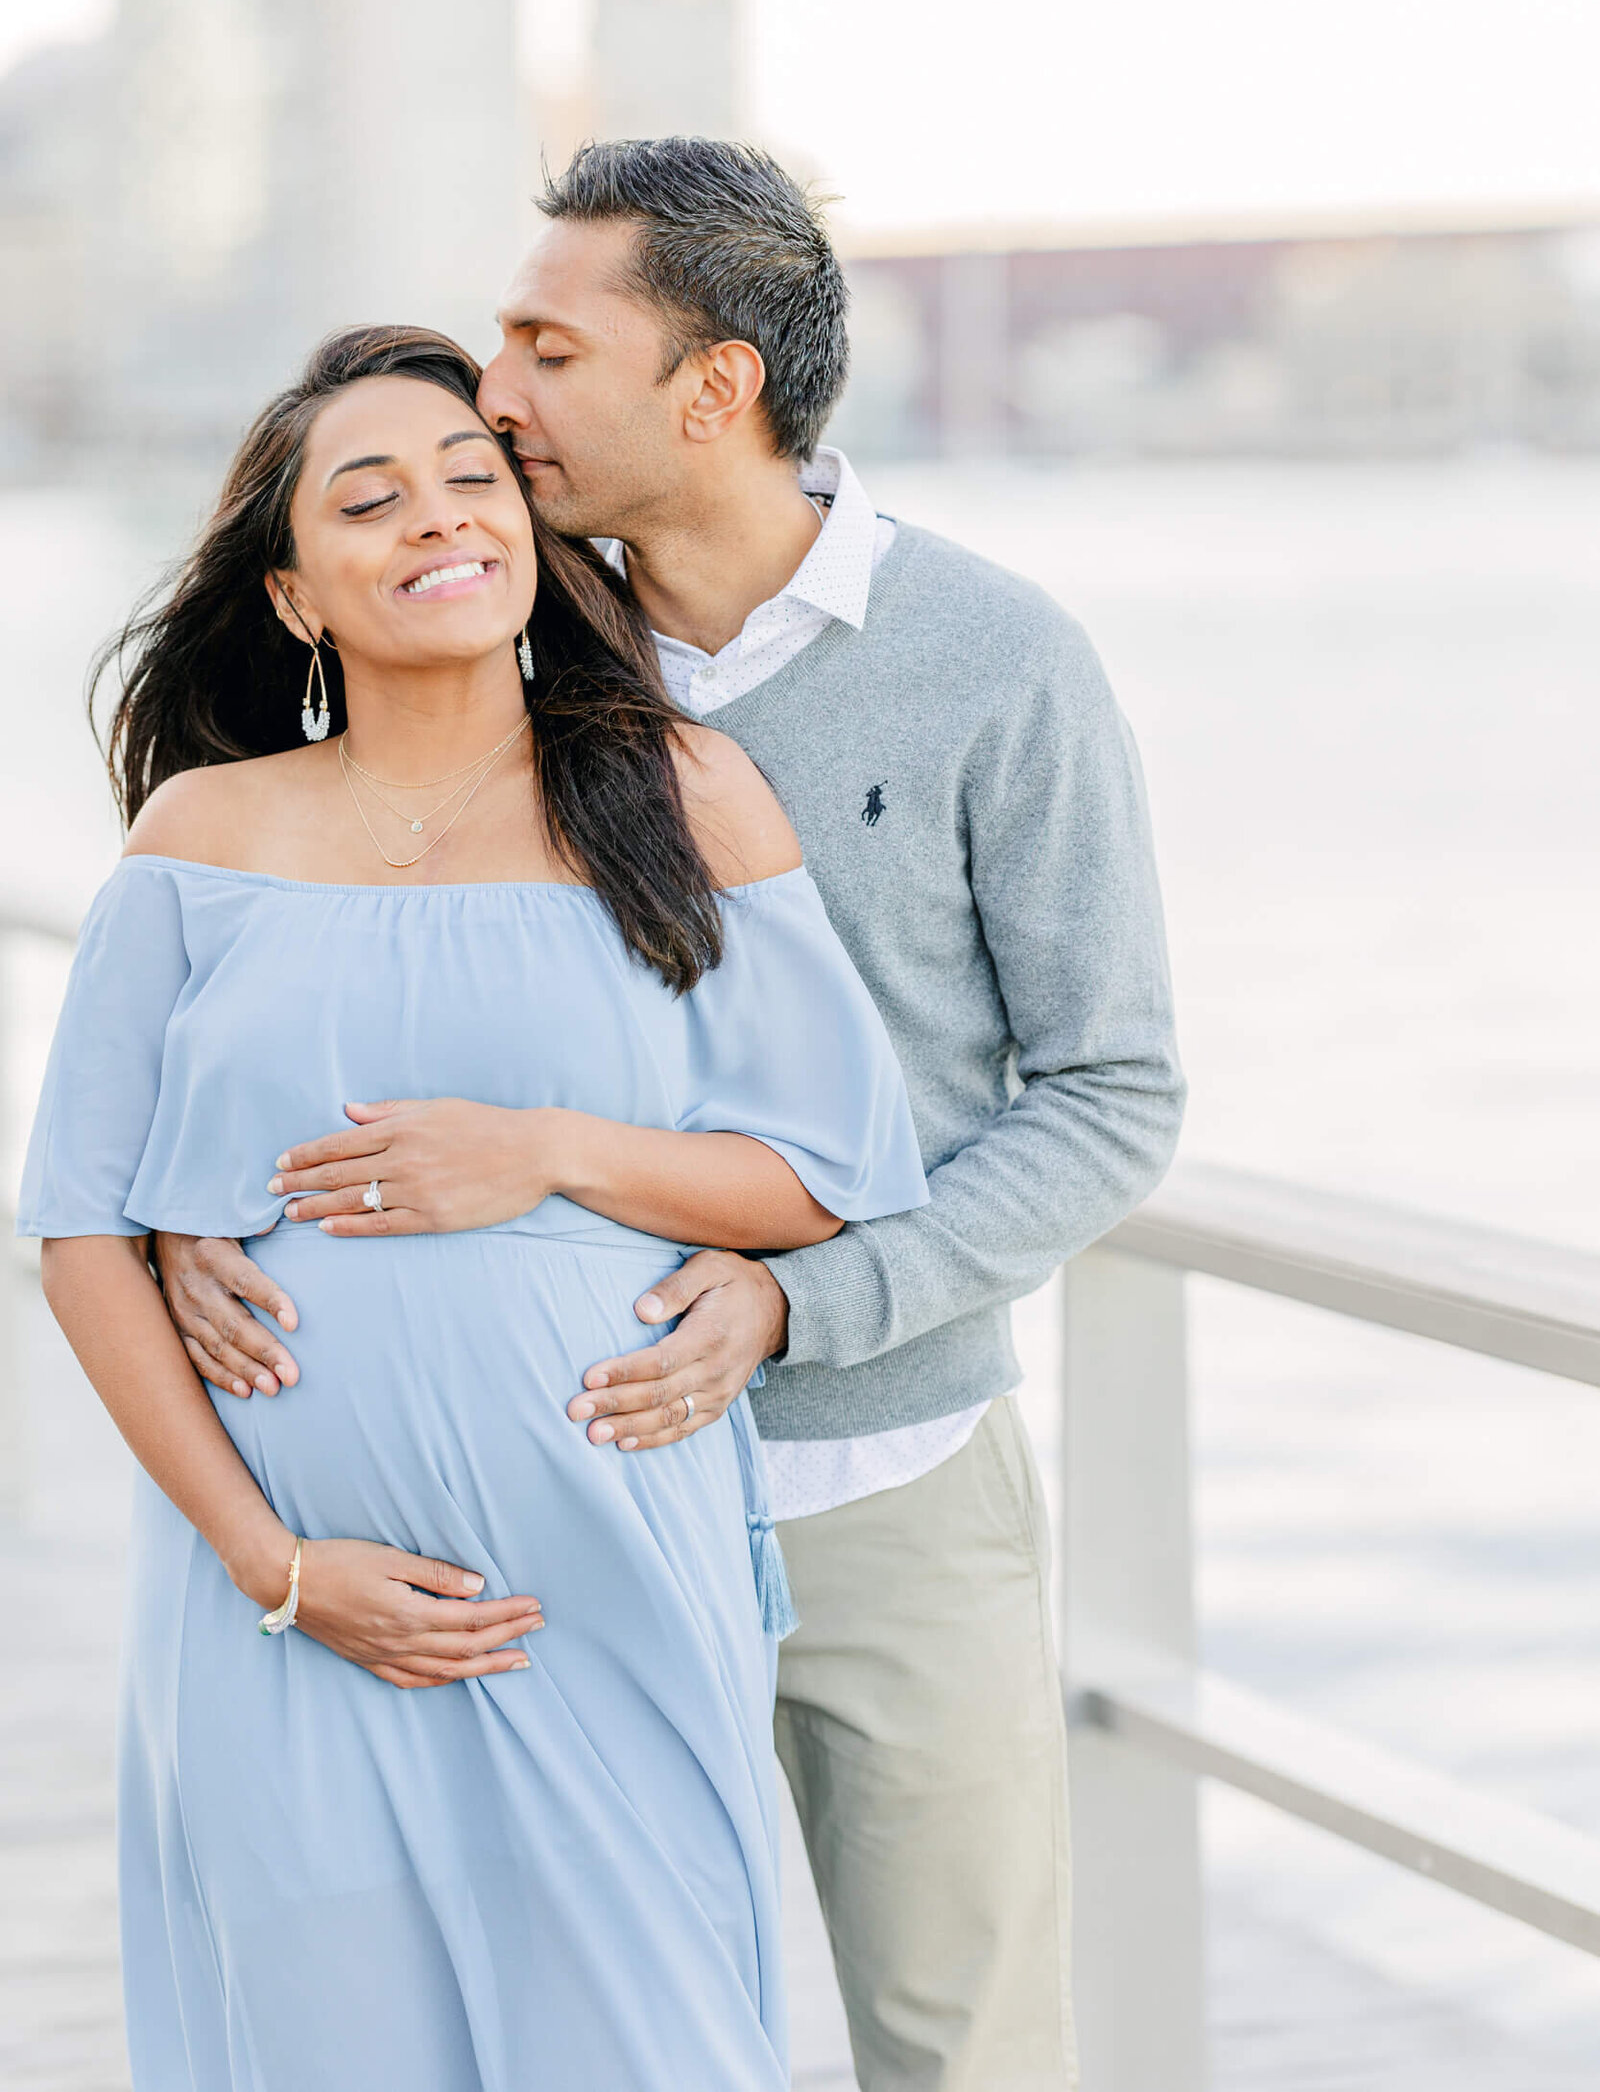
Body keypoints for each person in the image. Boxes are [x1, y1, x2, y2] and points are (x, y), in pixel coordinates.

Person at [157, 142, 1186, 2092]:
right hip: (543, 1489)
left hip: (884, 1485)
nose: (498, 394)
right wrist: (218, 1201)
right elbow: (302, 933)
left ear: (711, 388)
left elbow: (1110, 1096)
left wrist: (802, 1306)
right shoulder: (487, 630)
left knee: (959, 2050)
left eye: (549, 347)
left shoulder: (993, 664)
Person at [19, 325, 928, 2092]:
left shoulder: (681, 794)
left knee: (650, 2047)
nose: (437, 519)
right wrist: (270, 1565)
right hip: (281, 1607)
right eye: (369, 499)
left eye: (471, 480)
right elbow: (79, 1239)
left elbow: (827, 1172)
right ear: (293, 594)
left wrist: (552, 1151)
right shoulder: (203, 836)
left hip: (611, 1576)